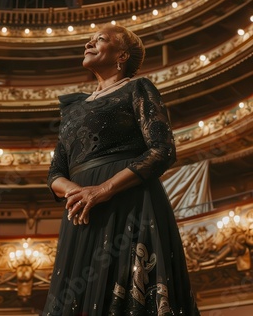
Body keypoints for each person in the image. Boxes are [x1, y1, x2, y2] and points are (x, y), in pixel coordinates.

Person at [43, 24, 200, 316]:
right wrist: (81, 192)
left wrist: (103, 189)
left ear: (122, 55)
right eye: (89, 40)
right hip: (82, 212)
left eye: (100, 40)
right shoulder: (72, 109)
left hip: (130, 203)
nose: (88, 44)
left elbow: (163, 150)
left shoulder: (137, 87)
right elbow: (55, 173)